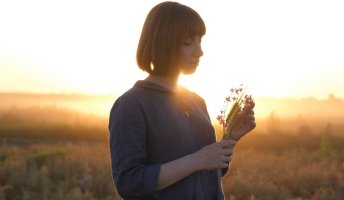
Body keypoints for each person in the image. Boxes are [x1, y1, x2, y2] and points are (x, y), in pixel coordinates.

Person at [108, 1, 256, 199]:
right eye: (188, 42)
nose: (199, 52)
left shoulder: (197, 102)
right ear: (162, 43)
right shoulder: (131, 105)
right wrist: (198, 160)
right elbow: (129, 183)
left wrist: (230, 139)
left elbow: (208, 173)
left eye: (200, 41)